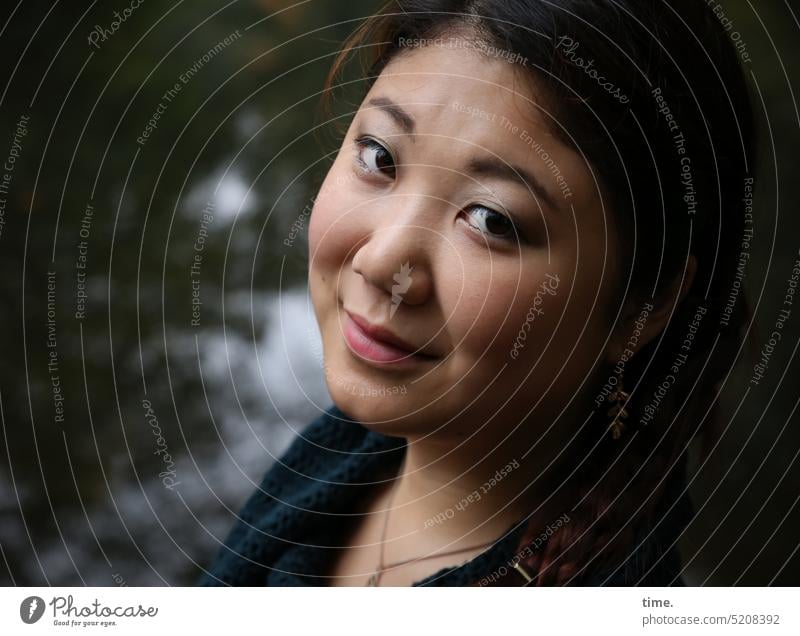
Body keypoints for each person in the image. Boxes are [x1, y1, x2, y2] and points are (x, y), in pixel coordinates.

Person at [200, 0, 756, 586]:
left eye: (492, 220)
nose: (382, 259)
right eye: (379, 157)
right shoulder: (337, 457)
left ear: (645, 308)